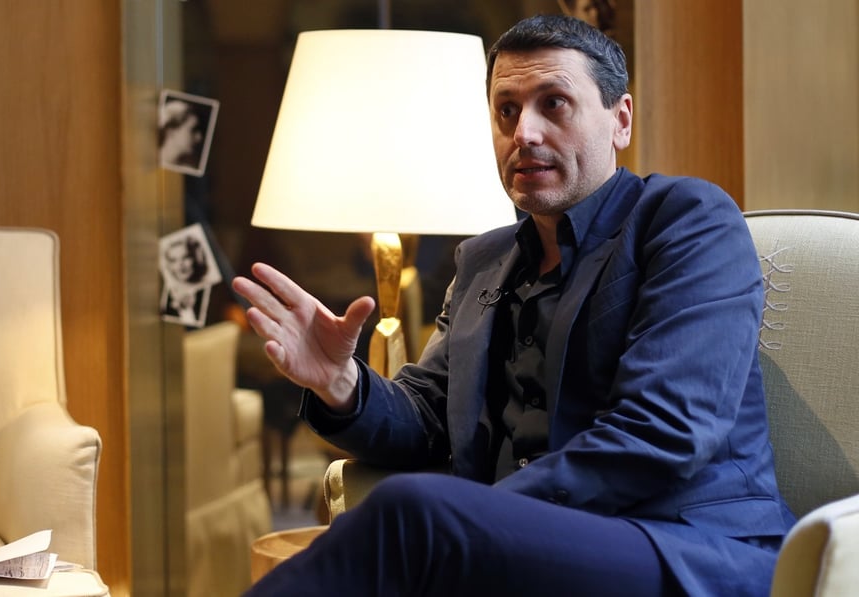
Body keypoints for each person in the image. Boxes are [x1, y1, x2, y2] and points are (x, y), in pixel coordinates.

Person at [233, 14, 794, 597]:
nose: (523, 132)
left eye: (554, 104)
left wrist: (476, 514)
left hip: (685, 549)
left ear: (620, 119)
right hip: (519, 546)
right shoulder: (485, 260)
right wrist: (341, 382)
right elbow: (426, 417)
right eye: (506, 110)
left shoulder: (686, 221)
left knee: (414, 514)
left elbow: (663, 432)